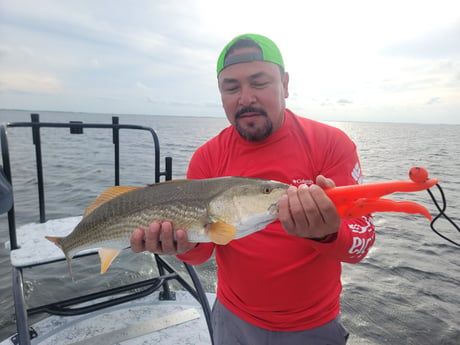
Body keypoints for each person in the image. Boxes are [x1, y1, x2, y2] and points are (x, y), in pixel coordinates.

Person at [131, 33, 376, 345]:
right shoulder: (208, 157)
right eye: (231, 87)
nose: (245, 98)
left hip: (312, 326)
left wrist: (328, 233)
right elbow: (203, 250)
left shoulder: (330, 144)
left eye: (259, 83)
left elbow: (361, 243)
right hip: (232, 319)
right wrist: (179, 245)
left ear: (285, 84)